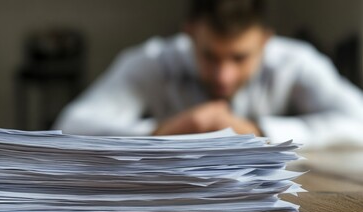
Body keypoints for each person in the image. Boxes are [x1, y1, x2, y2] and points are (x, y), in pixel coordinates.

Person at [53, 0, 363, 149]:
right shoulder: (152, 61)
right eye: (209, 55)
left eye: (240, 58)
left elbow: (359, 120)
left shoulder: (296, 61)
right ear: (189, 35)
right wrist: (162, 131)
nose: (224, 76)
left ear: (265, 40)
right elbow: (70, 125)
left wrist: (256, 129)